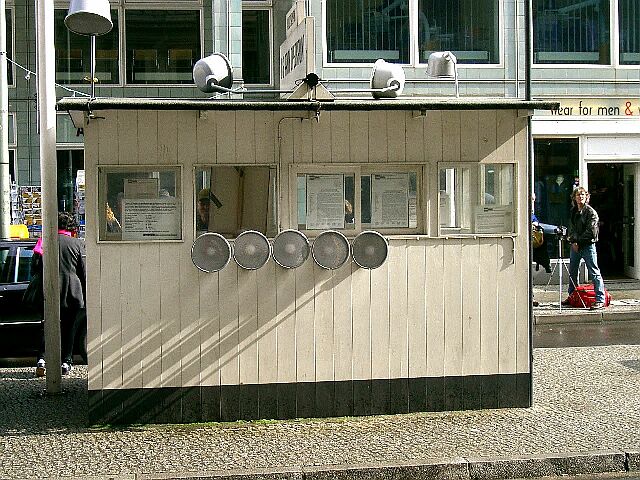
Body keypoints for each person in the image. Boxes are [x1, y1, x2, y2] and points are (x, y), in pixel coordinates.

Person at [35, 212, 87, 376]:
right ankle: (66, 361)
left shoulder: (44, 241)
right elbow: (83, 270)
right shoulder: (77, 244)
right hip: (71, 290)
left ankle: (42, 359)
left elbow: (34, 267)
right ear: (71, 227)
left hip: (47, 288)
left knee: (47, 325)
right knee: (70, 327)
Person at [562, 187, 606, 310]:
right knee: (573, 271)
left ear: (587, 197)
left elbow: (591, 232)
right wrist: (572, 241)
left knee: (594, 272)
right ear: (574, 197)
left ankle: (600, 299)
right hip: (576, 245)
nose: (580, 197)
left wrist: (578, 242)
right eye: (578, 195)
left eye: (582, 194)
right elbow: (571, 228)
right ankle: (572, 296)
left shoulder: (591, 212)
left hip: (587, 246)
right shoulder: (573, 211)